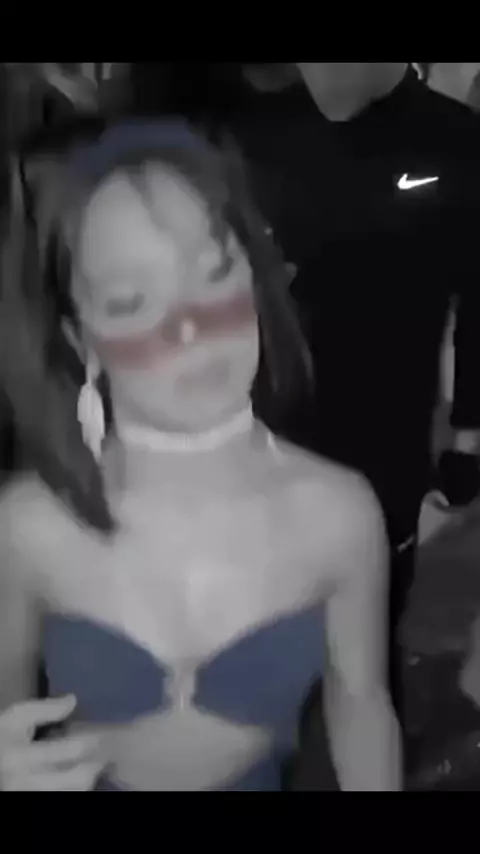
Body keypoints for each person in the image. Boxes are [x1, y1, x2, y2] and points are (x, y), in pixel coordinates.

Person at [0, 120, 400, 792]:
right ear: (78, 336)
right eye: (131, 301)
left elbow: (361, 704)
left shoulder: (340, 514)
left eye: (215, 273)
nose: (192, 329)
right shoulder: (28, 527)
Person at [206, 62, 480, 712]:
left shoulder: (457, 141)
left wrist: (469, 431)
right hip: (255, 427)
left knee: (366, 636)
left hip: (385, 434)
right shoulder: (251, 135)